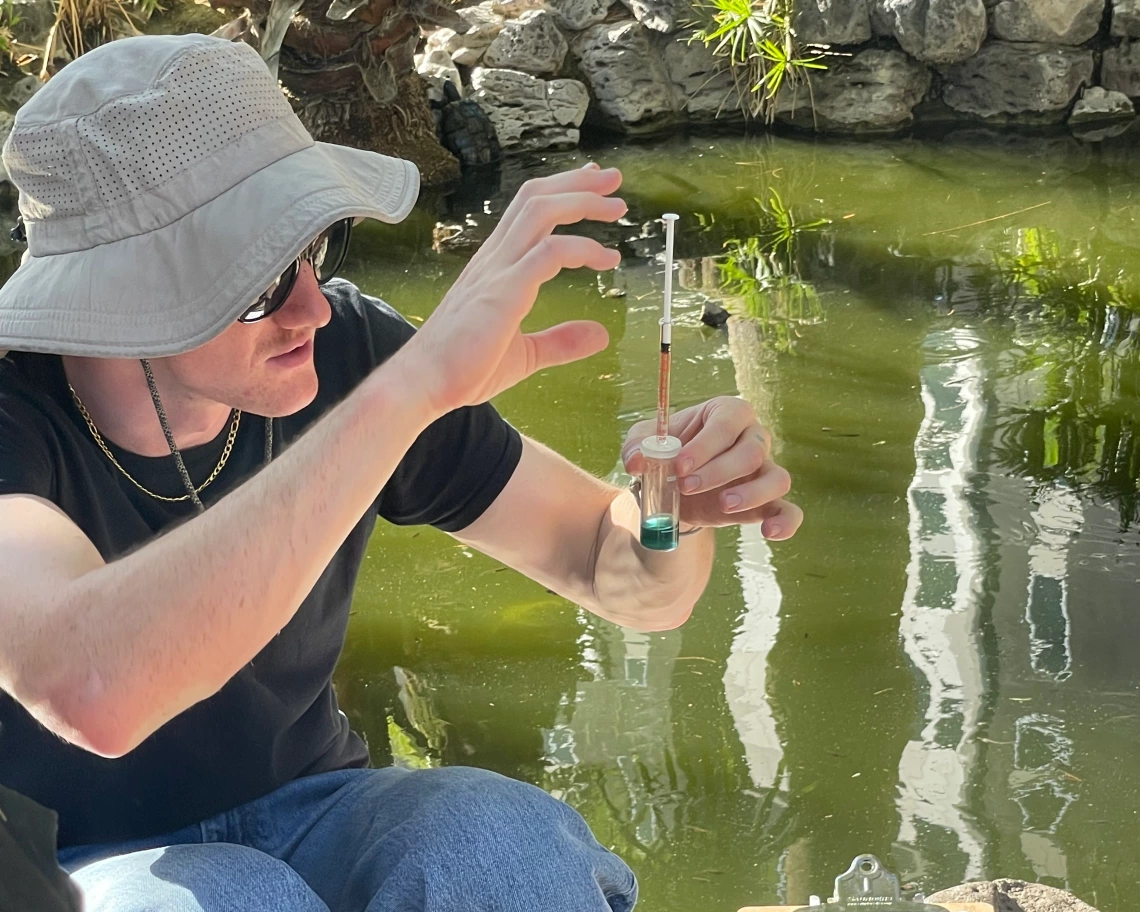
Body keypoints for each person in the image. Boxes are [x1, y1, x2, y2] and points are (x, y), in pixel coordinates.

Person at [0, 32, 802, 912]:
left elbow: (613, 574)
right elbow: (94, 691)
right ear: (122, 289)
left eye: (314, 248)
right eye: (259, 281)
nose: (309, 305)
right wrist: (407, 394)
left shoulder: (345, 347)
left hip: (318, 807)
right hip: (65, 860)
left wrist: (670, 506)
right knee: (232, 897)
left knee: (497, 837)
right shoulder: (14, 411)